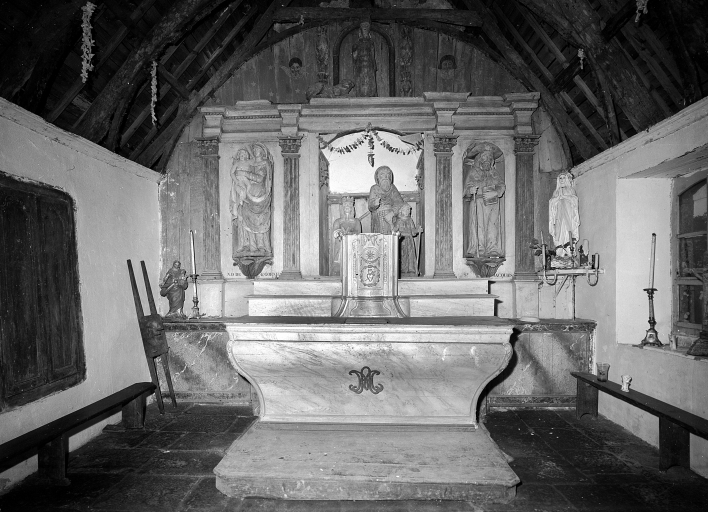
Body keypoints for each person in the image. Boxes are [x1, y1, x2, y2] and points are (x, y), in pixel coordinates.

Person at [230, 142, 273, 257]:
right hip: (249, 193)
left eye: (257, 149)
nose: (255, 151)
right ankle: (252, 246)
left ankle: (262, 246)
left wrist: (244, 173)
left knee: (261, 221)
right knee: (247, 219)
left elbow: (260, 178)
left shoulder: (265, 163)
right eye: (254, 150)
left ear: (262, 152)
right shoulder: (251, 163)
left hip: (260, 194)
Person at [463, 144, 505, 258]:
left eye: (490, 159)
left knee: (492, 225)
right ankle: (479, 247)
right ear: (480, 160)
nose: (487, 160)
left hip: (492, 202)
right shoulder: (473, 172)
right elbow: (466, 190)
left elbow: (501, 186)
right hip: (478, 201)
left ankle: (492, 248)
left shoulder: (494, 173)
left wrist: (495, 192)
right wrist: (470, 190)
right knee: (478, 225)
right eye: (485, 158)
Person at [368, 166, 406, 235]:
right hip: (378, 218)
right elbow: (370, 206)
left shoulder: (392, 188)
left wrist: (392, 213)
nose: (385, 177)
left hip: (391, 217)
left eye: (388, 174)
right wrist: (375, 203)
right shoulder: (374, 188)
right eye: (382, 174)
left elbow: (399, 203)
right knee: (379, 237)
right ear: (377, 178)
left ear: (390, 177)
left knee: (391, 237)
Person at [549, 171, 579, 257]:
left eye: (563, 178)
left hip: (568, 216)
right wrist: (558, 198)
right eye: (560, 178)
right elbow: (551, 203)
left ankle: (569, 251)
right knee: (559, 233)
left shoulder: (570, 190)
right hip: (558, 216)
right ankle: (560, 251)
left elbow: (574, 200)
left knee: (567, 232)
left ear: (566, 179)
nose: (562, 180)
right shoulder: (556, 192)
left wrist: (565, 197)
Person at [332, 196, 362, 275]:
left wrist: (350, 234)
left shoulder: (356, 221)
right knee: (338, 266)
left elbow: (359, 234)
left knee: (353, 266)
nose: (347, 207)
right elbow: (335, 233)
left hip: (352, 245)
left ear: (352, 208)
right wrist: (340, 233)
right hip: (341, 245)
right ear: (342, 208)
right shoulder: (338, 221)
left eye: (349, 206)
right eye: (345, 206)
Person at [393, 203, 422, 276]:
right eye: (406, 210)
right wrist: (395, 232)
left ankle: (411, 269)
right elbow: (395, 230)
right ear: (401, 211)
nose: (408, 211)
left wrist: (418, 230)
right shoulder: (398, 221)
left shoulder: (410, 220)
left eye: (409, 210)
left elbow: (413, 231)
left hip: (410, 240)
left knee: (410, 255)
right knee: (402, 255)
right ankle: (402, 270)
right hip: (401, 240)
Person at [352, 21, 377, 97]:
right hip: (360, 66)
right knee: (361, 80)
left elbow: (372, 55)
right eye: (363, 29)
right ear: (360, 31)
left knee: (370, 80)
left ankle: (372, 94)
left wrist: (374, 65)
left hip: (369, 65)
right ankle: (360, 94)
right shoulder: (357, 43)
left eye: (366, 29)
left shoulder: (371, 42)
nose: (365, 31)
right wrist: (355, 51)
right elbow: (354, 56)